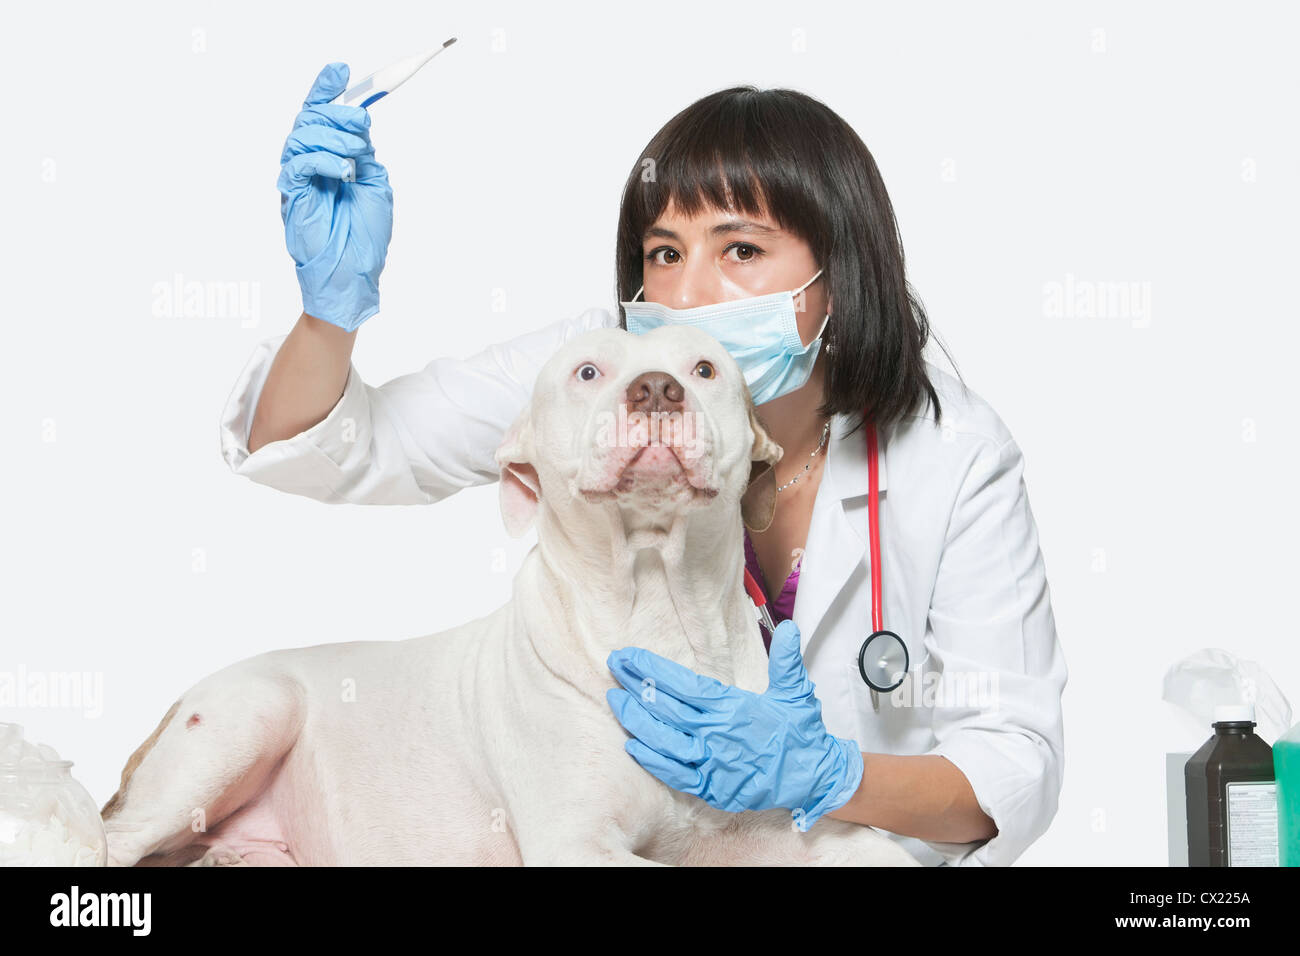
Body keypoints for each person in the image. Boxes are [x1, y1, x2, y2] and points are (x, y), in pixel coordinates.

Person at [221, 62, 1067, 866]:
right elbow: (345, 448)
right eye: (665, 253)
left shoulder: (955, 454)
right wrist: (329, 315)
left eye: (740, 250)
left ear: (838, 275)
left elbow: (1012, 767)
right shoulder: (597, 378)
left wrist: (833, 776)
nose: (688, 296)